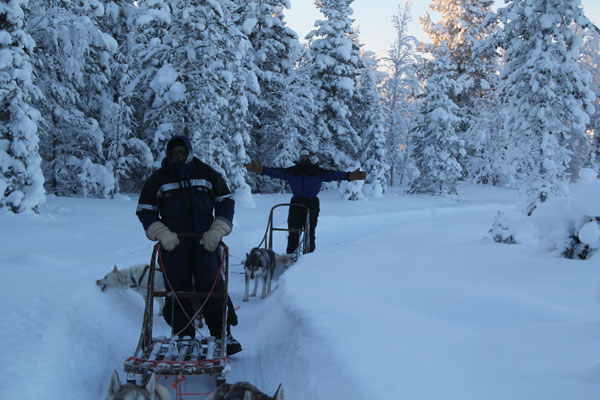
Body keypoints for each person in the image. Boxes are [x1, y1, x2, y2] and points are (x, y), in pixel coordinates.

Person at [136, 135, 242, 355]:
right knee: (176, 289)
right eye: (175, 152)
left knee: (212, 285)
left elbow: (225, 201)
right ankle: (184, 334)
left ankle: (222, 333)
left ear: (189, 151)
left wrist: (217, 229)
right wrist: (161, 232)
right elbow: (145, 209)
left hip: (205, 242)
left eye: (182, 151)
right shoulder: (159, 179)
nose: (179, 155)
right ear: (169, 154)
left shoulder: (207, 174)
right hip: (174, 243)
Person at [245, 148, 366, 254]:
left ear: (309, 158)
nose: (304, 158)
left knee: (309, 233)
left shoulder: (317, 171)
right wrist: (261, 170)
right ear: (299, 158)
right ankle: (290, 257)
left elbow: (334, 175)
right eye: (302, 156)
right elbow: (276, 172)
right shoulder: (293, 171)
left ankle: (308, 259)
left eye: (306, 157)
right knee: (293, 232)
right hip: (296, 203)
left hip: (311, 203)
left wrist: (350, 176)